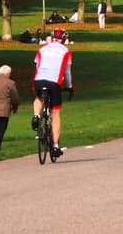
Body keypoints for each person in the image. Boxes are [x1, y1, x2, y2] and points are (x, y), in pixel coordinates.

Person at [31, 27, 73, 158]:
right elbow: (67, 72)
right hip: (54, 82)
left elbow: (37, 66)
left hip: (39, 80)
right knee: (55, 112)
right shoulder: (66, 51)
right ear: (64, 39)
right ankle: (55, 145)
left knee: (38, 98)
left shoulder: (42, 49)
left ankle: (36, 115)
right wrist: (70, 86)